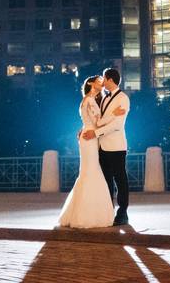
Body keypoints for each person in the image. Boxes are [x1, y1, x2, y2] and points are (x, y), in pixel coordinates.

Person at [57, 75, 125, 228]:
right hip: (90, 138)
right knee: (91, 172)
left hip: (88, 136)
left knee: (89, 172)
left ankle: (82, 211)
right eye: (99, 82)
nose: (102, 84)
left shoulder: (88, 100)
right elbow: (97, 123)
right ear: (91, 84)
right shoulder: (89, 100)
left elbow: (90, 122)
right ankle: (88, 214)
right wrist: (114, 114)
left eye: (103, 81)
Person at [81, 67, 130, 226]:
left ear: (110, 80)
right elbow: (99, 120)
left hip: (116, 146)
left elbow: (116, 125)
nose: (102, 81)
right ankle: (108, 211)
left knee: (120, 180)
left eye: (104, 78)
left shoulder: (123, 98)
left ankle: (122, 213)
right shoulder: (104, 98)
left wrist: (95, 133)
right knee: (106, 181)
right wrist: (85, 128)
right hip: (101, 147)